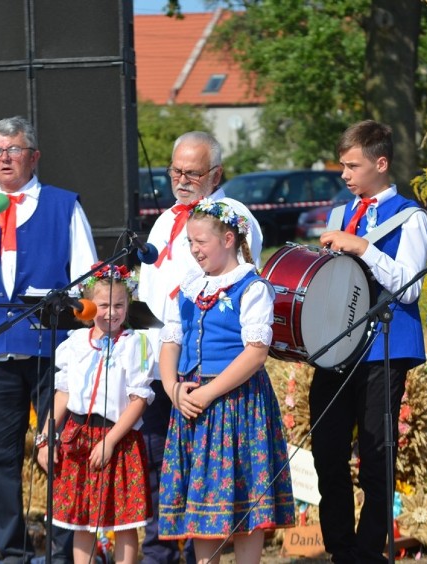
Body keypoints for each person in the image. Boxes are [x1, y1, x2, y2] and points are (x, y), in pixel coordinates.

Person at [0, 116, 98, 563]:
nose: (3, 159)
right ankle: (10, 552)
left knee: (60, 450)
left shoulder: (63, 206)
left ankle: (65, 549)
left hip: (53, 350)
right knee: (1, 458)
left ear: (33, 155)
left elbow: (87, 281)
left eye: (12, 150)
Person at [137, 131, 263, 563]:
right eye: (176, 171)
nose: (182, 179)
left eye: (193, 172)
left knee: (216, 484)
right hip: (165, 368)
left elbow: (238, 292)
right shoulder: (166, 218)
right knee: (164, 475)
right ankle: (163, 556)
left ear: (216, 174)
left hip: (212, 376)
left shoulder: (233, 218)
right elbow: (158, 295)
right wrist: (164, 376)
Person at [312, 119, 427, 562]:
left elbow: (411, 286)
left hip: (385, 346)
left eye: (352, 165)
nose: (344, 174)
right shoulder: (340, 213)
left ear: (380, 164)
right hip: (337, 344)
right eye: (342, 165)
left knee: (377, 456)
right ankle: (341, 549)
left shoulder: (411, 216)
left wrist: (362, 248)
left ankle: (367, 551)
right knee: (327, 452)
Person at [158, 199, 294, 564]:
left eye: (201, 241)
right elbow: (170, 343)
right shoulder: (187, 289)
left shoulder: (251, 287)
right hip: (191, 404)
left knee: (245, 499)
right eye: (189, 242)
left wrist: (208, 392)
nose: (194, 250)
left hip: (236, 402)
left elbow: (255, 353)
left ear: (229, 239)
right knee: (203, 505)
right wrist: (173, 389)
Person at [37, 264, 154, 564]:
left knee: (123, 520)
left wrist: (111, 440)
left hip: (119, 437)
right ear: (87, 307)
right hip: (77, 436)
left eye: (119, 305)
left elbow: (138, 399)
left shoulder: (135, 344)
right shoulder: (75, 344)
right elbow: (63, 392)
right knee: (82, 519)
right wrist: (46, 437)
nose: (111, 312)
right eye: (103, 305)